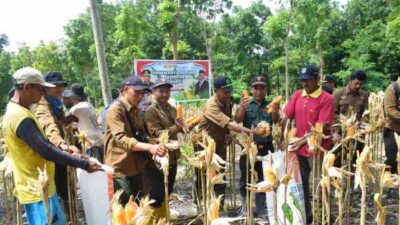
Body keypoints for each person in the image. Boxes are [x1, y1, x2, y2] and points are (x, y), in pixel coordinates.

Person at [3, 67, 100, 225]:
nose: (43, 94)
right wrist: (83, 163)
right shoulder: (21, 117)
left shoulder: (18, 111)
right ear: (27, 87)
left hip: (41, 187)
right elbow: (46, 150)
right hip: (37, 190)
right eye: (41, 89)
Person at [283, 65, 334, 224]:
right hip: (300, 150)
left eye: (308, 80)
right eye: (302, 80)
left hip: (319, 148)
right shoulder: (298, 95)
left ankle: (324, 216)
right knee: (302, 184)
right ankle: (307, 215)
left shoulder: (326, 98)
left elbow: (319, 128)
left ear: (317, 79)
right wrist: (282, 137)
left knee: (321, 184)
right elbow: (287, 116)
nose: (304, 84)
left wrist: (299, 141)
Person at [104, 75, 166, 206]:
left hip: (137, 167)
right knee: (125, 208)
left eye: (142, 93)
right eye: (136, 93)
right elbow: (121, 139)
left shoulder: (137, 110)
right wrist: (148, 148)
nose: (140, 97)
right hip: (121, 169)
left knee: (139, 204)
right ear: (125, 90)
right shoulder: (115, 110)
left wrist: (154, 144)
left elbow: (141, 133)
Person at [196, 76, 260, 202]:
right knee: (203, 177)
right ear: (215, 90)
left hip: (219, 143)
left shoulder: (227, 102)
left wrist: (228, 134)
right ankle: (200, 205)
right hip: (204, 145)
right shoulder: (211, 106)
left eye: (230, 90)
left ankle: (219, 205)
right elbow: (229, 124)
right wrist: (252, 131)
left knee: (220, 174)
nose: (228, 93)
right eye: (225, 91)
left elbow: (230, 120)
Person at [32, 71, 81, 216]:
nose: (60, 89)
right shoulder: (41, 104)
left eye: (61, 86)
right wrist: (62, 144)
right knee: (60, 186)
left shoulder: (55, 101)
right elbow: (48, 125)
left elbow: (57, 122)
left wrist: (66, 120)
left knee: (66, 185)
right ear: (46, 87)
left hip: (58, 149)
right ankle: (66, 214)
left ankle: (70, 213)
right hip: (51, 151)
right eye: (56, 86)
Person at [235, 76, 280, 217]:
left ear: (266, 90)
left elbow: (276, 120)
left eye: (262, 88)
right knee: (245, 179)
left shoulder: (270, 105)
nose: (259, 91)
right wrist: (242, 107)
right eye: (256, 88)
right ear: (251, 90)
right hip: (249, 148)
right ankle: (245, 208)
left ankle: (260, 209)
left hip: (266, 148)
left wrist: (275, 110)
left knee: (264, 179)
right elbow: (237, 120)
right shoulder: (246, 104)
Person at [143, 78, 183, 218]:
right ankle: (153, 219)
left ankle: (163, 217)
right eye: (161, 91)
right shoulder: (150, 111)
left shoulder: (171, 108)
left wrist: (182, 127)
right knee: (157, 192)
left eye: (167, 91)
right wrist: (176, 128)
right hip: (159, 157)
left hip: (172, 156)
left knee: (169, 189)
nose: (165, 94)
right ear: (153, 92)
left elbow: (177, 128)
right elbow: (156, 134)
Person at [68, 83, 104, 163]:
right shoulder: (89, 105)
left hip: (91, 144)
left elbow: (67, 123)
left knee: (94, 167)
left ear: (73, 97)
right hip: (98, 140)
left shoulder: (76, 109)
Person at [384, 74, 400, 175]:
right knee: (392, 158)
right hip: (393, 129)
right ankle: (389, 185)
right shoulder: (392, 88)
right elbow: (390, 110)